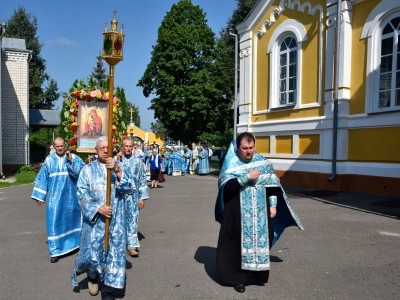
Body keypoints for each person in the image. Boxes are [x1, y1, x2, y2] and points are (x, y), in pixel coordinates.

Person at [215, 132, 304, 293]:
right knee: (237, 244)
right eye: (244, 148)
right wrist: (247, 177)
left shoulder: (263, 163)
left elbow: (272, 187)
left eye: (251, 147)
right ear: (238, 148)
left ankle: (255, 276)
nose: (248, 151)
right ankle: (238, 279)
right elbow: (226, 188)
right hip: (237, 212)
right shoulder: (232, 163)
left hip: (261, 212)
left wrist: (273, 205)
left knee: (261, 241)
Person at [71, 136, 134, 300]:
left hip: (116, 223)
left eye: (108, 147)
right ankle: (93, 277)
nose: (105, 150)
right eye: (102, 148)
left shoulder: (118, 167)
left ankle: (108, 292)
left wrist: (118, 171)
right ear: (96, 150)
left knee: (113, 256)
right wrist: (97, 208)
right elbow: (81, 193)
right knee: (94, 255)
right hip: (95, 223)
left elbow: (130, 188)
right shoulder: (87, 170)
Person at [31, 137, 85, 263]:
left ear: (65, 145)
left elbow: (82, 173)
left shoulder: (74, 158)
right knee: (54, 220)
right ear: (54, 146)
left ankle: (74, 245)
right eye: (57, 146)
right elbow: (42, 177)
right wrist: (41, 196)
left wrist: (70, 161)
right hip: (55, 198)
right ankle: (55, 251)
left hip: (72, 197)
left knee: (73, 220)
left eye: (62, 146)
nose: (60, 148)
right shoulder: (49, 161)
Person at [116, 137, 149, 257]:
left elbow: (142, 180)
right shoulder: (117, 160)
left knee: (133, 220)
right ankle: (119, 243)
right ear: (122, 147)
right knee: (119, 219)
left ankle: (132, 245)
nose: (128, 148)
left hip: (134, 196)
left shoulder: (138, 162)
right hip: (119, 196)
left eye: (130, 146)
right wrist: (117, 160)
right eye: (126, 146)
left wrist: (142, 198)